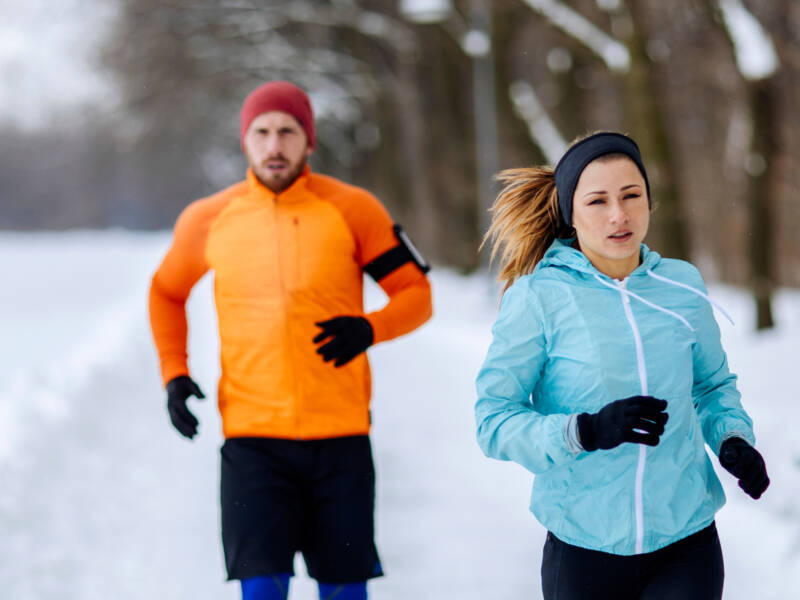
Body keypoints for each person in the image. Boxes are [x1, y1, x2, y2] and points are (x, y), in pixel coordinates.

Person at [148, 81, 433, 600]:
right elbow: (165, 291)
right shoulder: (209, 219)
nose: (274, 145)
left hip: (340, 440)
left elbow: (416, 293)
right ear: (245, 141)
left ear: (309, 141)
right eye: (261, 132)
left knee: (344, 593)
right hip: (253, 443)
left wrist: (370, 327)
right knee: (261, 591)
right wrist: (174, 372)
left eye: (287, 131)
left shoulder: (353, 209)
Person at [474, 131, 769, 599]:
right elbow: (493, 419)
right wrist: (583, 431)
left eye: (631, 195)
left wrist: (733, 439)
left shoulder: (682, 286)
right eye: (598, 201)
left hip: (686, 542)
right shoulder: (539, 297)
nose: (619, 214)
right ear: (572, 213)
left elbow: (711, 386)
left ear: (650, 201)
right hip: (584, 551)